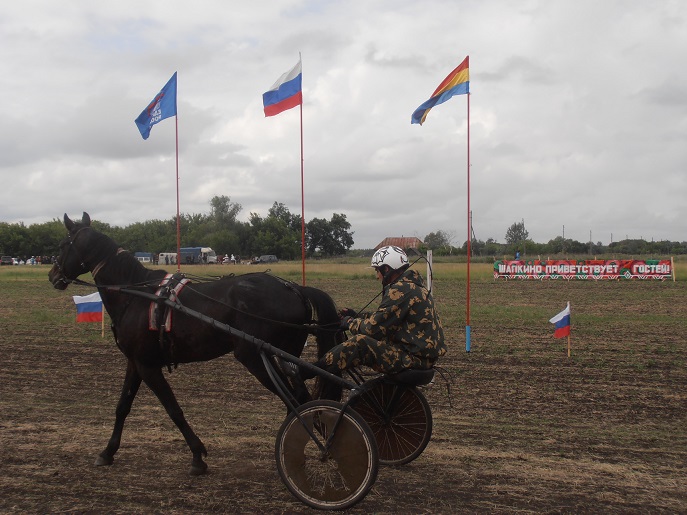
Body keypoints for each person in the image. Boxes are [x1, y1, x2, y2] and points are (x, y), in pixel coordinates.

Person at [301, 245, 446, 379]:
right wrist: (356, 315)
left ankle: (310, 371)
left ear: (387, 269)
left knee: (360, 343)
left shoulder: (400, 289)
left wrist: (350, 323)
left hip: (413, 360)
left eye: (377, 270)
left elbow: (373, 329)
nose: (377, 276)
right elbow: (385, 318)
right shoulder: (413, 287)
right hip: (421, 357)